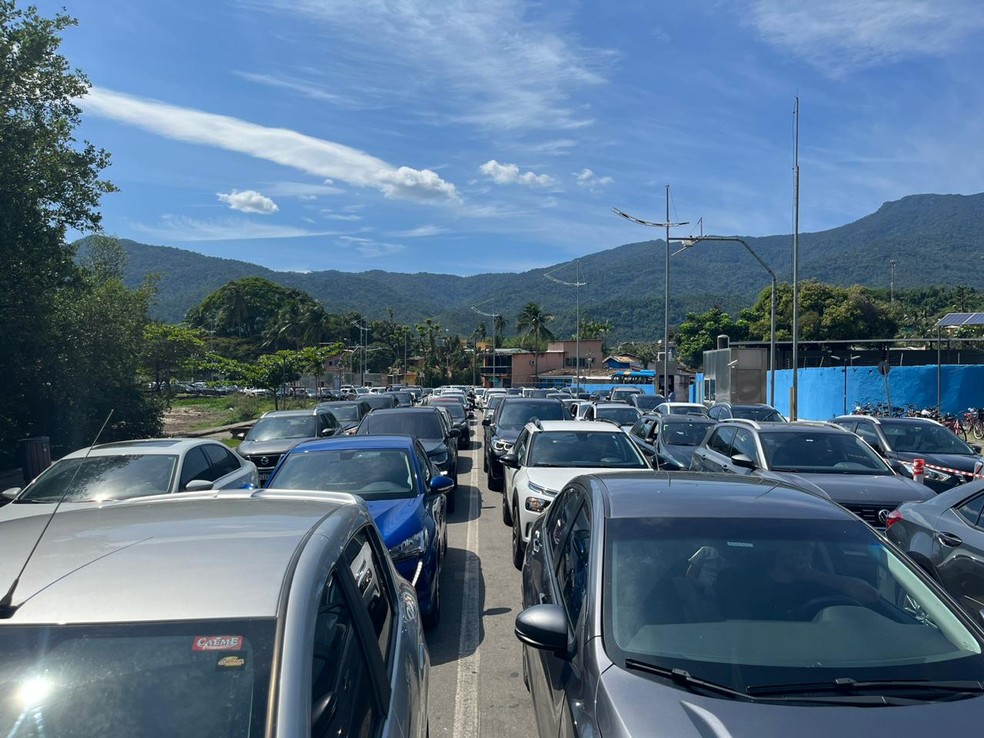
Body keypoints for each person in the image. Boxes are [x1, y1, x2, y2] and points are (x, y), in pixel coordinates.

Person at [721, 540, 879, 620]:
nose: (802, 552)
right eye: (796, 546)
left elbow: (870, 596)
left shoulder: (819, 585)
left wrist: (815, 575)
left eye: (808, 548)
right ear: (778, 550)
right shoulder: (743, 583)